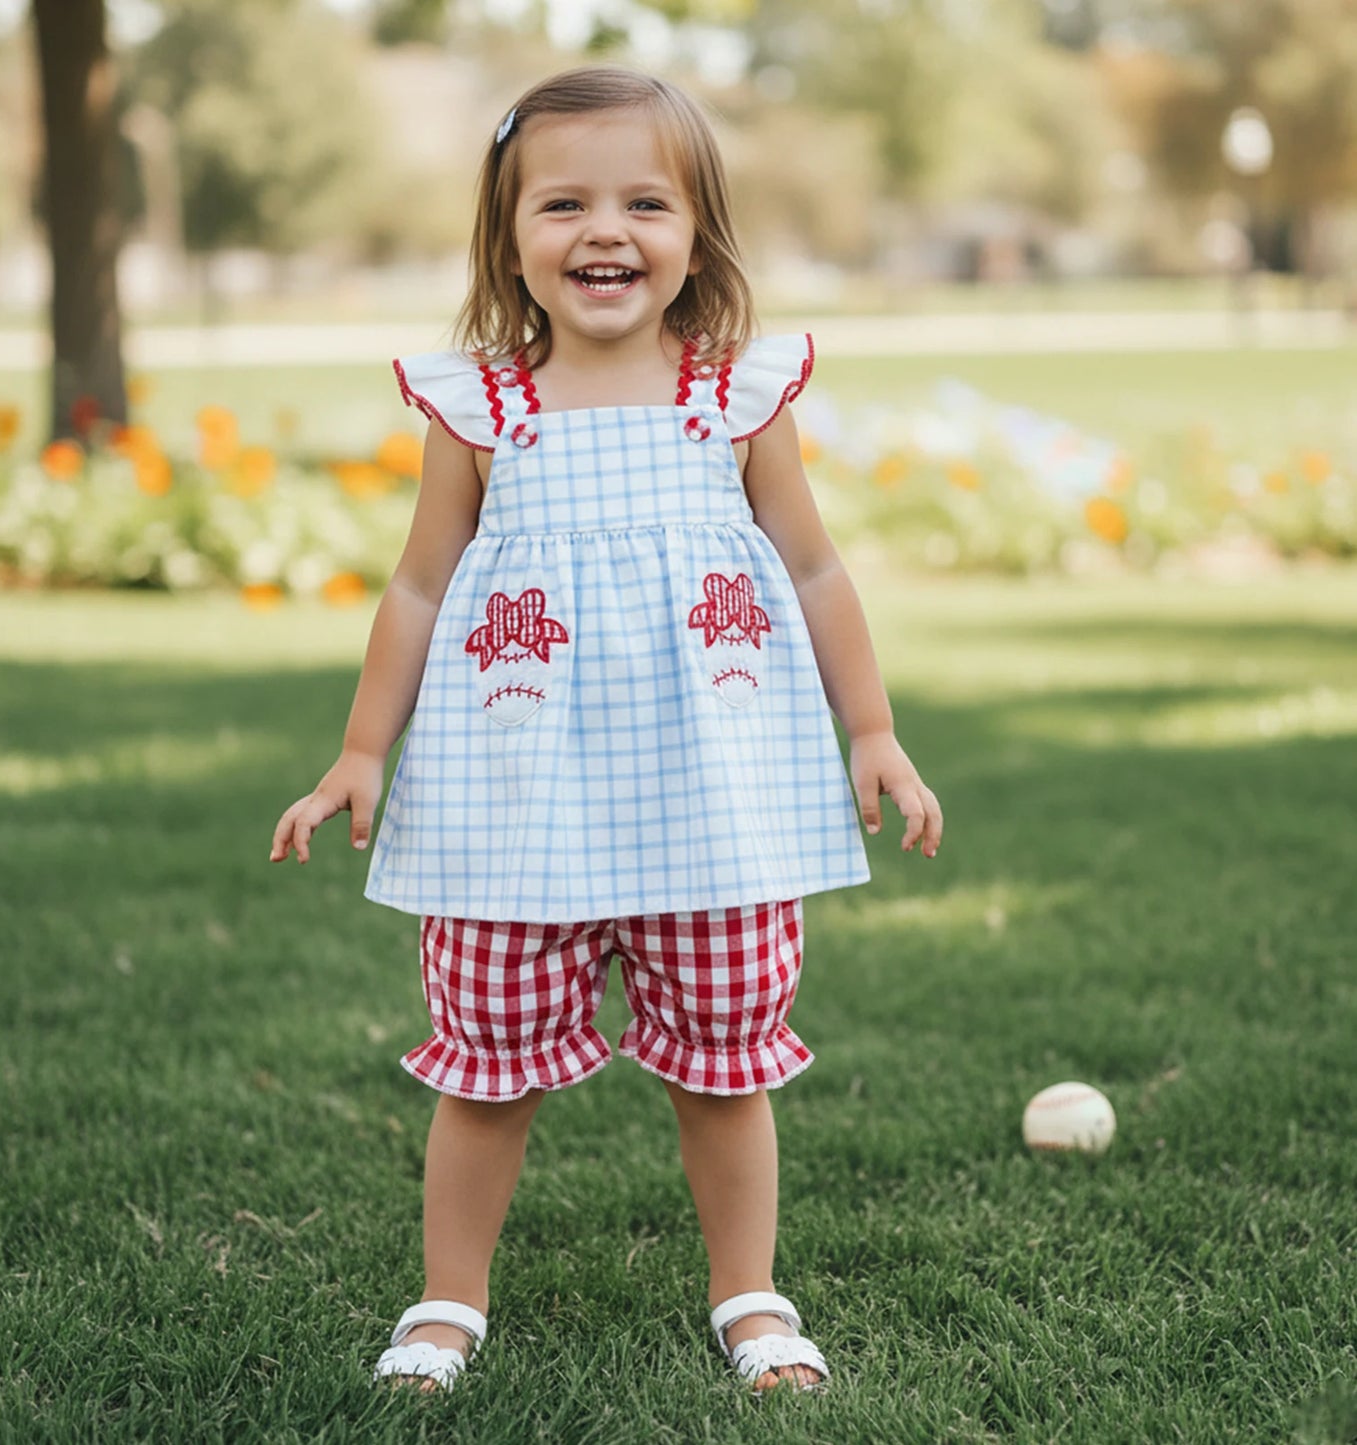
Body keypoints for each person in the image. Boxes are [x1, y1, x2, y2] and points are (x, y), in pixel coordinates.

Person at [270, 65, 943, 1396]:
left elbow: (813, 567)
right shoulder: (482, 410)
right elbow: (418, 586)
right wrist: (359, 751)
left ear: (696, 233)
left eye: (645, 202)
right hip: (516, 811)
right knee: (487, 1068)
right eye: (563, 203)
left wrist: (871, 730)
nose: (605, 231)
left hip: (712, 809)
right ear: (509, 236)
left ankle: (749, 1295)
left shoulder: (734, 400)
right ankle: (446, 1303)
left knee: (725, 1064)